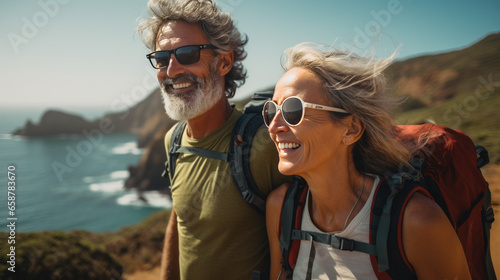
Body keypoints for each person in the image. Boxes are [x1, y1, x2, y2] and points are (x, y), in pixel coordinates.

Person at [264, 43, 472, 279]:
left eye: (293, 110)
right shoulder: (281, 209)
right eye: (271, 111)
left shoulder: (416, 222)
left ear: (351, 129)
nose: (274, 126)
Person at [138, 0, 291, 279]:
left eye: (186, 54)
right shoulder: (173, 141)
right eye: (161, 59)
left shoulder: (264, 146)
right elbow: (181, 219)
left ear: (224, 62)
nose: (170, 71)